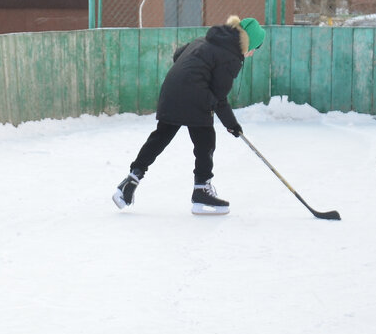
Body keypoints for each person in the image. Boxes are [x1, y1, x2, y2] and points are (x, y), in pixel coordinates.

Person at [113, 15, 265, 216]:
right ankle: (202, 191)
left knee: (161, 136)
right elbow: (219, 97)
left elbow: (178, 55)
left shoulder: (206, 40)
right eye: (255, 48)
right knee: (205, 140)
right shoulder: (231, 57)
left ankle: (131, 180)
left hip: (171, 90)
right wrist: (232, 124)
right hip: (194, 95)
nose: (253, 53)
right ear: (249, 43)